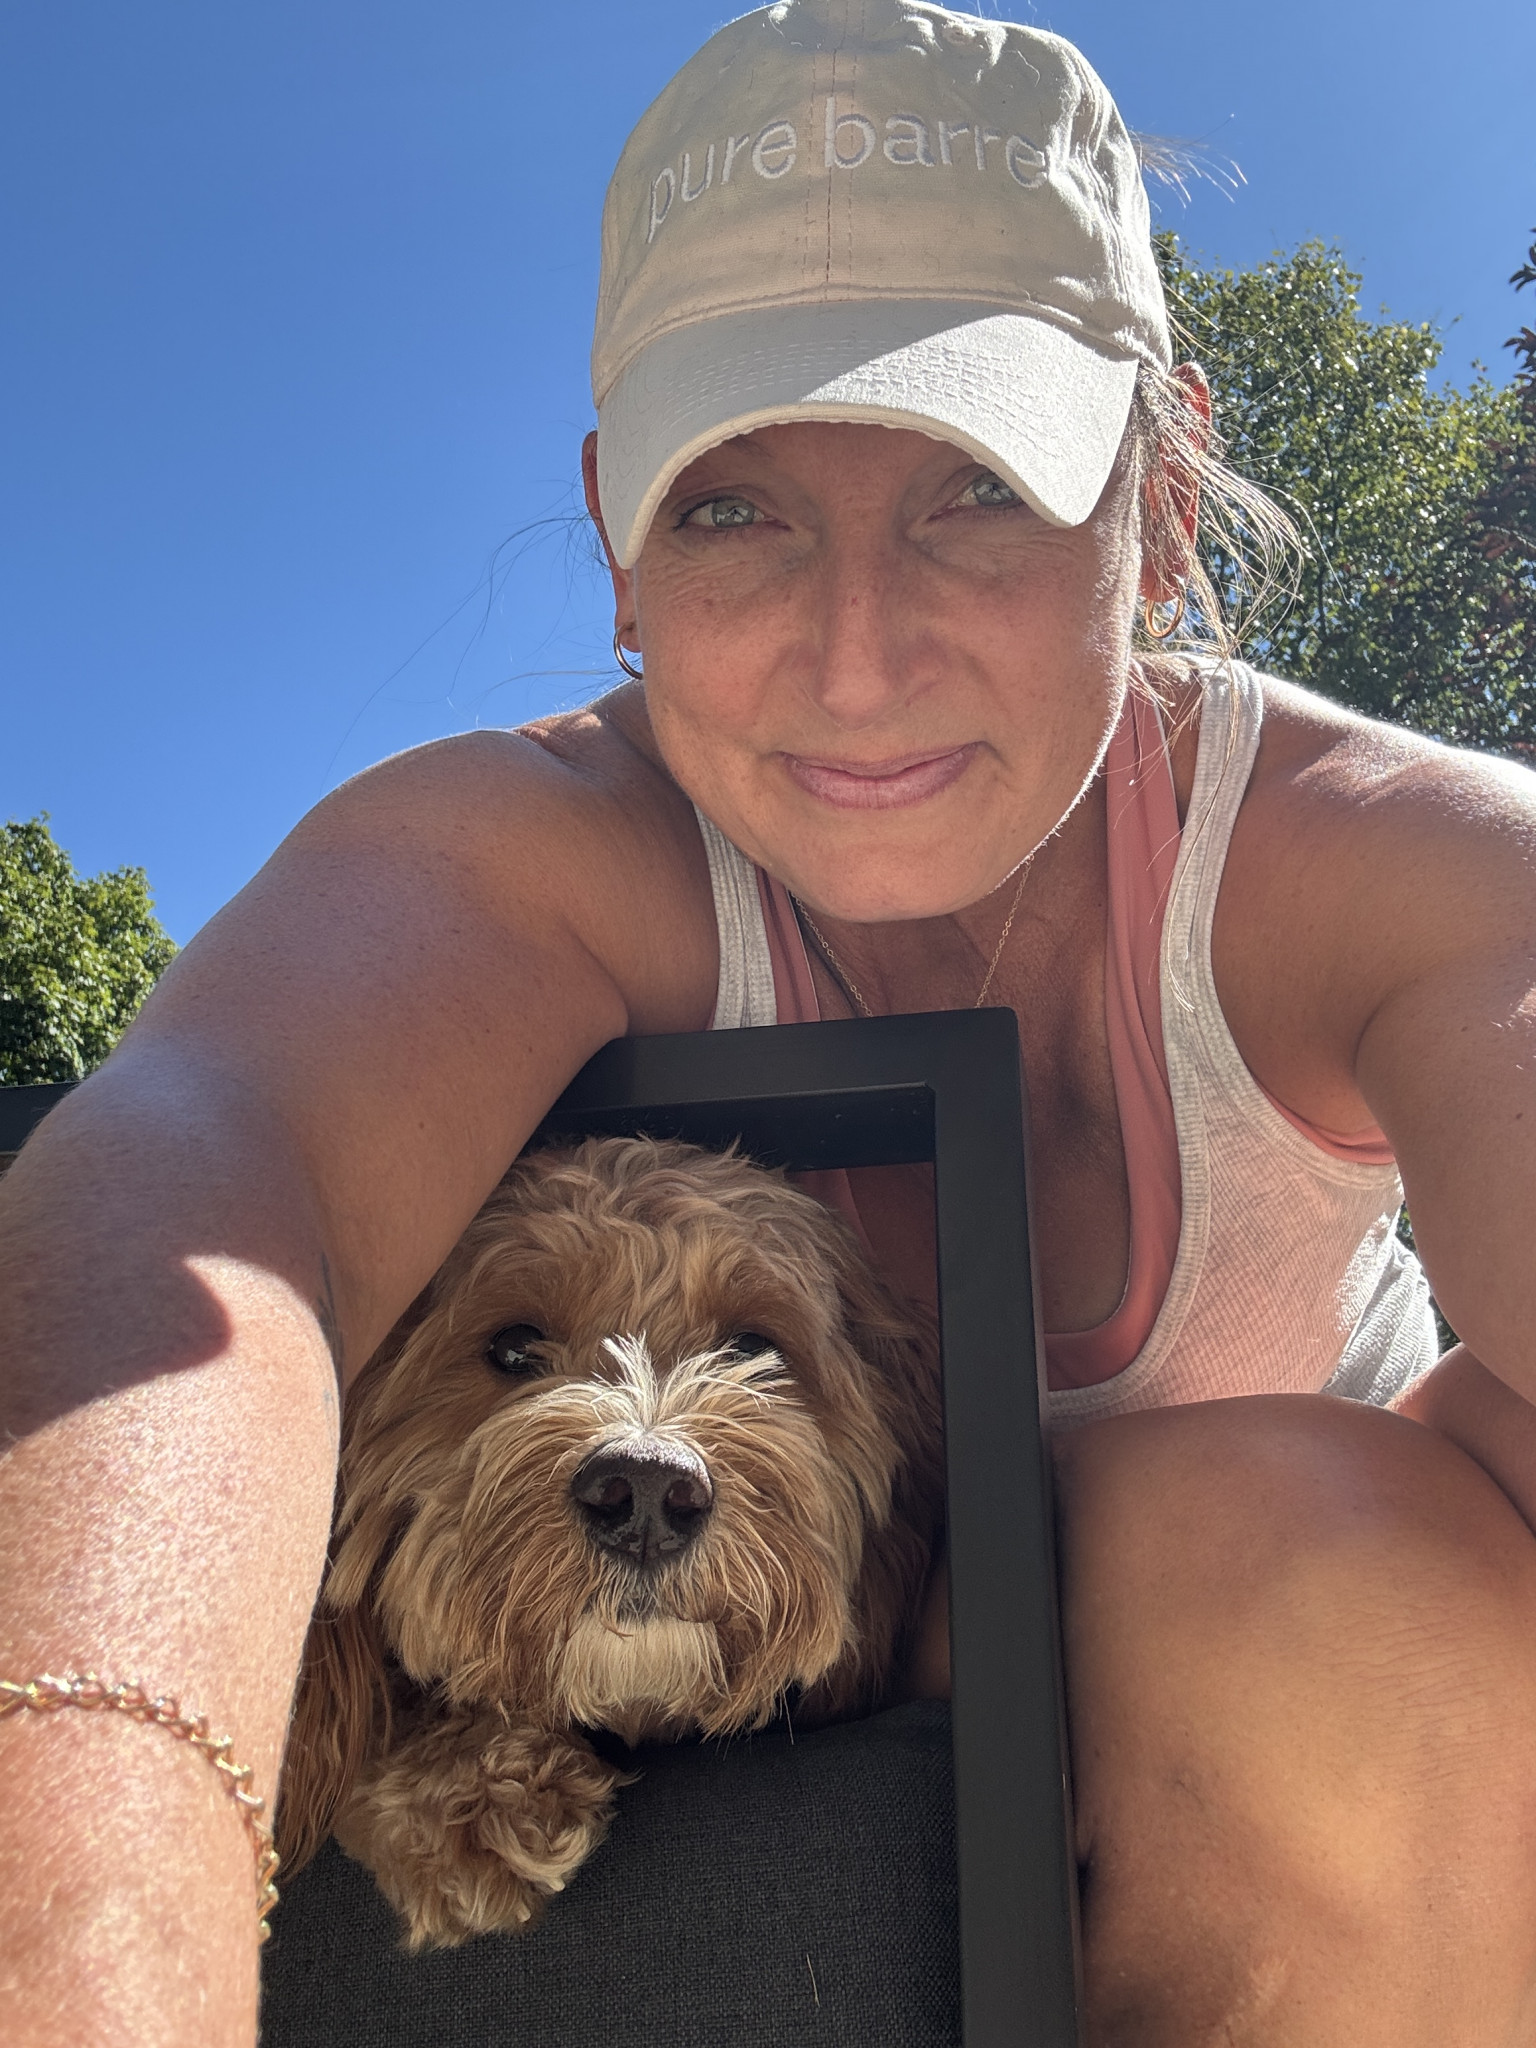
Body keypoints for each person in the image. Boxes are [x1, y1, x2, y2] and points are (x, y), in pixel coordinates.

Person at [4, 2, 1536, 2041]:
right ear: (619, 547)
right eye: (735, 507)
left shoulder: (1405, 864)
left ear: (1160, 499)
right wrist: (92, 1933)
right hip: (816, 1831)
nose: (857, 655)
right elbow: (202, 1170)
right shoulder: (533, 849)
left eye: (978, 485)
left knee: (1306, 1550)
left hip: (1349, 1770)